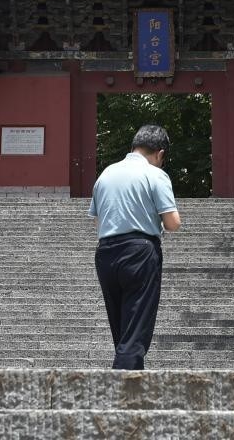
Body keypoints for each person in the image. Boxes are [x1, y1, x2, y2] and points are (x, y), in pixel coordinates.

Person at [89, 124, 181, 370]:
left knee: (122, 330)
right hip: (139, 252)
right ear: (160, 153)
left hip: (106, 252)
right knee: (135, 330)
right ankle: (121, 386)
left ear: (134, 146)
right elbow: (172, 223)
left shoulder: (106, 174)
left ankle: (128, 374)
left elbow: (98, 221)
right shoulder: (155, 174)